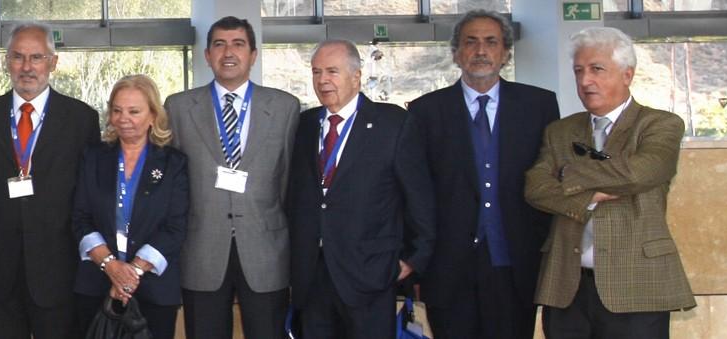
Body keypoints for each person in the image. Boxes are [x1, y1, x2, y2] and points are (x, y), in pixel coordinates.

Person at [527, 27, 694, 339]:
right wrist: (587, 198)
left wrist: (568, 174)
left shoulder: (659, 124)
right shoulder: (560, 131)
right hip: (568, 289)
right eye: (579, 71)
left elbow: (641, 172)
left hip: (638, 287)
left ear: (627, 74)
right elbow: (535, 188)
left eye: (597, 69)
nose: (585, 80)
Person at [405, 10, 558, 339]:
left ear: (505, 53)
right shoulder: (425, 111)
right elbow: (415, 192)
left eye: (491, 42)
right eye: (470, 42)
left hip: (517, 262)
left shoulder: (539, 106)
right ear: (456, 53)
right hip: (448, 267)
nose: (480, 50)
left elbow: (551, 179)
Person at [161, 16, 301, 339]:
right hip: (201, 250)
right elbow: (173, 185)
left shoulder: (285, 107)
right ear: (207, 55)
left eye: (238, 44)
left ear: (253, 54)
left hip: (267, 250)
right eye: (219, 44)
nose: (229, 52)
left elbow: (289, 183)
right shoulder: (179, 107)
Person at [287, 39, 435, 338]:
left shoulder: (393, 124)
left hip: (370, 275)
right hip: (312, 277)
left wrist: (413, 258)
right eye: (316, 72)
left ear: (357, 76)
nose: (323, 80)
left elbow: (419, 198)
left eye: (332, 71)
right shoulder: (303, 125)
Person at [0, 22, 103, 339]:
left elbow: (90, 197)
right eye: (18, 57)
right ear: (7, 61)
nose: (27, 67)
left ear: (53, 62)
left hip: (59, 275)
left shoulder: (82, 119)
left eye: (37, 57)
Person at [72, 75, 188, 338]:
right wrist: (111, 267)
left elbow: (175, 226)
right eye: (117, 110)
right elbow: (80, 218)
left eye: (134, 111)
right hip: (97, 283)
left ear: (153, 116)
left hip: (153, 290)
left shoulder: (173, 163)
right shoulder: (92, 157)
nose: (124, 118)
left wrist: (131, 273)